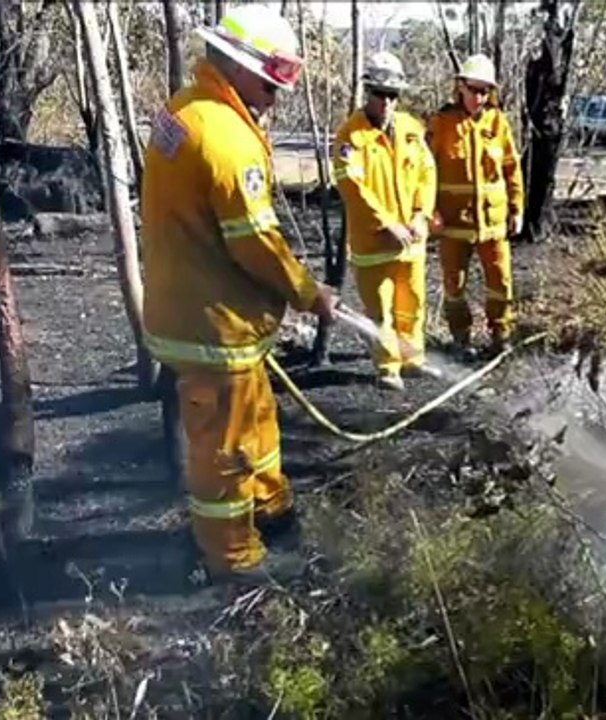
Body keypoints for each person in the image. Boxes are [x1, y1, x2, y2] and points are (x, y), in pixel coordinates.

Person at [139, 4, 339, 583]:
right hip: (210, 325)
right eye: (270, 82)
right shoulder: (225, 137)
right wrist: (308, 291)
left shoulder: (187, 108)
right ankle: (232, 556)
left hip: (212, 312)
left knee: (257, 419)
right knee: (225, 453)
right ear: (236, 63)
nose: (276, 97)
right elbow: (253, 241)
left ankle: (271, 506)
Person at [332, 52, 439, 390]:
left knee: (413, 304)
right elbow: (353, 186)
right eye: (381, 94)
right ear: (369, 93)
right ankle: (388, 366)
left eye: (393, 95)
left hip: (412, 240)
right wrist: (387, 223)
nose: (388, 102)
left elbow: (426, 173)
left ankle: (413, 358)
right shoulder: (351, 136)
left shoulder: (411, 129)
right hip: (375, 243)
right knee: (381, 310)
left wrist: (421, 215)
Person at [426, 54, 525, 361]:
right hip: (454, 223)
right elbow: (425, 171)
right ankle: (460, 337)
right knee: (454, 284)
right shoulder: (442, 123)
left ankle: (500, 336)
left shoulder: (498, 123)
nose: (479, 97)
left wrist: (516, 207)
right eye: (474, 90)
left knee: (501, 282)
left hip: (493, 222)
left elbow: (511, 168)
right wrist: (431, 211)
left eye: (485, 91)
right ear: (461, 87)